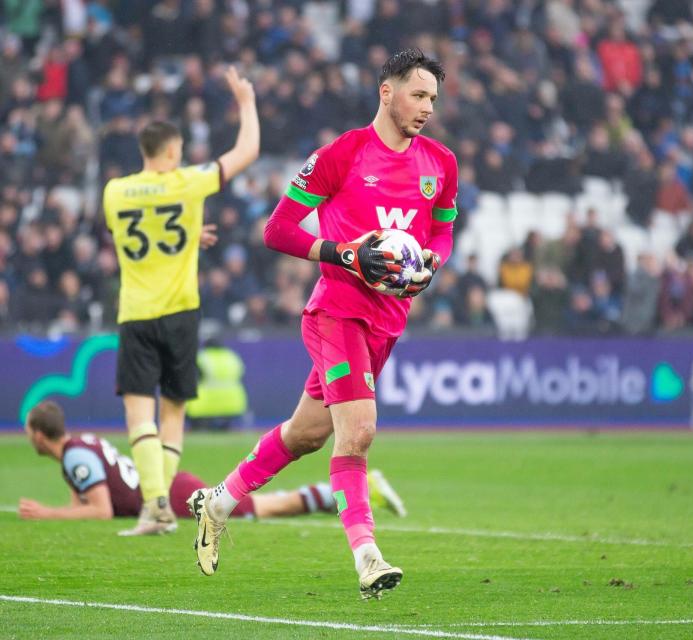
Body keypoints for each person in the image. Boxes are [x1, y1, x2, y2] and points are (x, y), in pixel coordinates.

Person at [187, 49, 457, 600]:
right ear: (387, 91)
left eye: (433, 97)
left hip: (387, 322)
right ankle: (368, 557)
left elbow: (443, 233)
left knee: (305, 434)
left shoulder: (441, 164)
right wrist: (343, 255)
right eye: (418, 94)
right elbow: (277, 229)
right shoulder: (343, 154)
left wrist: (431, 262)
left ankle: (217, 502)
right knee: (357, 433)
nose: (428, 106)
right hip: (334, 312)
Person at [101, 66, 260, 536]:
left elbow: (140, 236)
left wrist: (189, 235)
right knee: (173, 411)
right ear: (172, 150)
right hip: (181, 312)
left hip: (136, 313)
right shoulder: (188, 182)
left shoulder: (115, 192)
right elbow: (247, 151)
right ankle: (159, 507)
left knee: (138, 413)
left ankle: (154, 504)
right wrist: (246, 102)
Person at [18, 401, 406, 522]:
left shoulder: (75, 456)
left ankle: (356, 491)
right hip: (171, 487)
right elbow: (84, 503)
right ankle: (343, 494)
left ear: (38, 433)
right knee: (266, 506)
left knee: (267, 506)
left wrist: (45, 513)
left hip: (174, 496)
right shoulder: (80, 445)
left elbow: (100, 510)